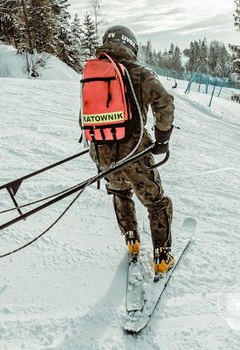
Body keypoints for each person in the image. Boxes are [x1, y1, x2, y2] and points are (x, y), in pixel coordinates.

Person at [88, 25, 175, 275]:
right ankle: (161, 256)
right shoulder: (139, 72)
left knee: (120, 192)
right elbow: (164, 102)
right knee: (156, 202)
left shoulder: (94, 71)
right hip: (134, 151)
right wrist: (162, 138)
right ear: (131, 46)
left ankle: (132, 242)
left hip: (102, 152)